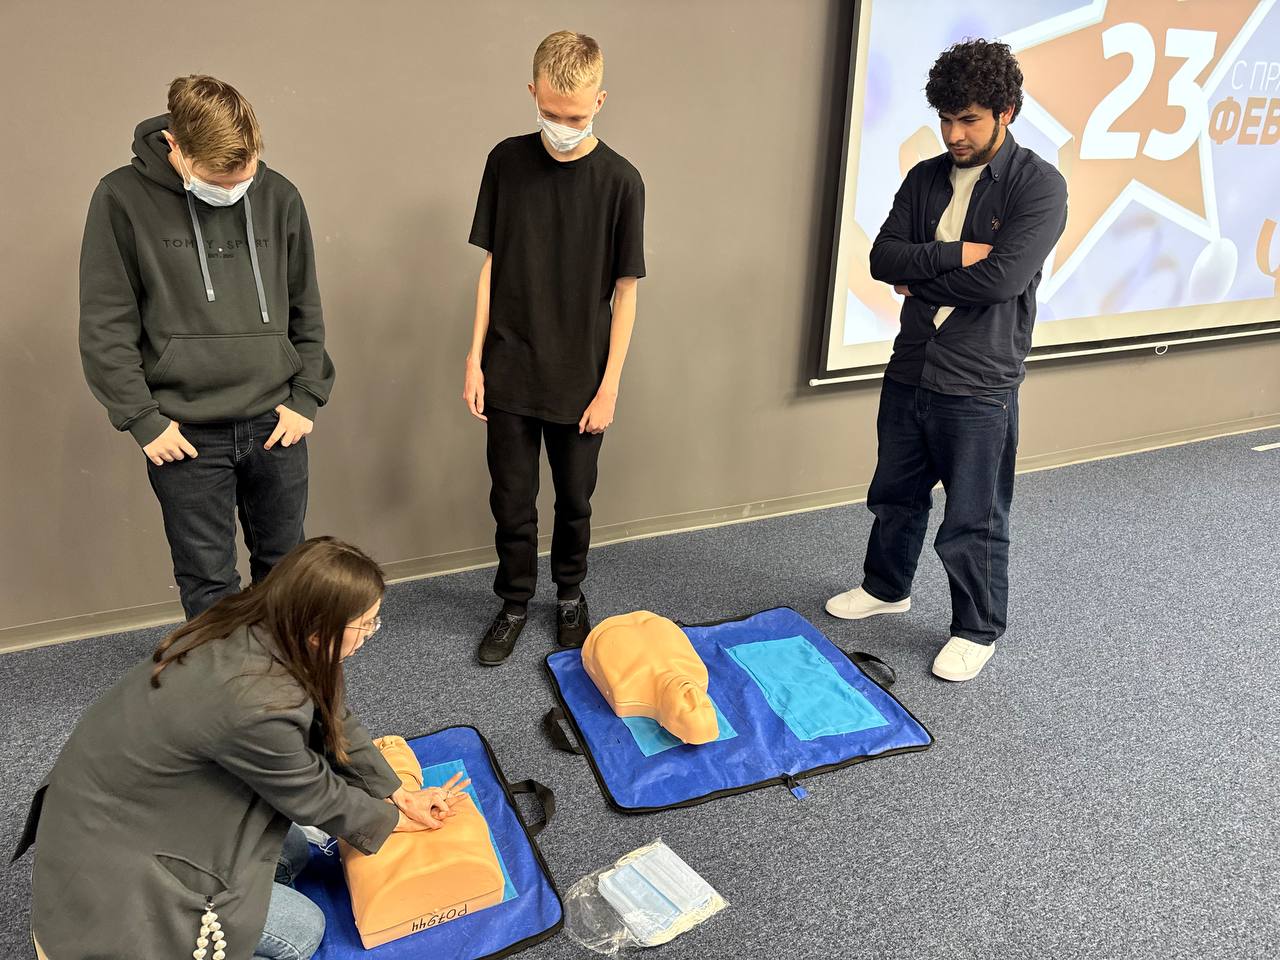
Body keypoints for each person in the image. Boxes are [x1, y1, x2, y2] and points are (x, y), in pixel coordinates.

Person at [13, 538, 463, 960]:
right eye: (365, 623)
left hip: (140, 806)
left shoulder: (265, 622)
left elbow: (333, 717)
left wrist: (395, 792)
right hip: (114, 879)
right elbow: (312, 794)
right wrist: (393, 821)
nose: (369, 633)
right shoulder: (254, 702)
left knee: (294, 852)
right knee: (304, 931)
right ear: (318, 626)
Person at [826, 39, 1068, 682]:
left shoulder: (1039, 185)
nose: (955, 134)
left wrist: (921, 277)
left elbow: (1002, 280)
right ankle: (886, 588)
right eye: (946, 119)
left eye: (969, 120)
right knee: (895, 493)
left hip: (980, 377)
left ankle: (976, 628)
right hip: (912, 362)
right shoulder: (925, 177)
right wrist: (958, 253)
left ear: (1005, 113)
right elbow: (883, 259)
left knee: (974, 515)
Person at [79, 74, 335, 619]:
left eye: (245, 175)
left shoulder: (279, 195)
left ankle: (284, 672)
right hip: (184, 432)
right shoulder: (121, 197)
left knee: (287, 571)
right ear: (176, 147)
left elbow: (305, 305)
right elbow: (106, 322)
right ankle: (222, 678)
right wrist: (142, 418)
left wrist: (307, 395)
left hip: (276, 421)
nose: (234, 189)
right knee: (208, 581)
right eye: (218, 179)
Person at [464, 31, 646, 665]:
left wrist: (610, 386)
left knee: (574, 501)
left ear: (600, 100)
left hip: (582, 376)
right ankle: (514, 601)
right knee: (511, 502)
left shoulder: (622, 182)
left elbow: (626, 292)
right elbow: (491, 266)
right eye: (550, 113)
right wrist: (474, 358)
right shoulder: (505, 162)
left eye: (576, 116)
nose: (563, 128)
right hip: (510, 364)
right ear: (532, 92)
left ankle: (569, 595)